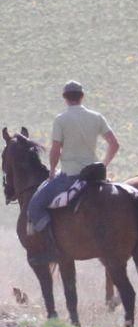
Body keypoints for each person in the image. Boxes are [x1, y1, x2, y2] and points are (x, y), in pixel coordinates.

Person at [27, 81, 119, 263]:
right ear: (82, 96)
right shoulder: (97, 117)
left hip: (70, 175)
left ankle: (51, 248)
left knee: (35, 206)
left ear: (65, 98)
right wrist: (103, 164)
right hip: (95, 175)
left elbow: (55, 150)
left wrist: (52, 170)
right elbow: (114, 144)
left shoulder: (61, 120)